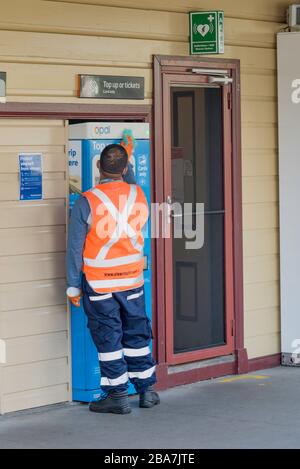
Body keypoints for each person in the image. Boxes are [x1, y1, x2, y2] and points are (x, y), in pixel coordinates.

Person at [66, 137, 159, 415]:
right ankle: (146, 391)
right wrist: (126, 157)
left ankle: (117, 394)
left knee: (108, 338)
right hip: (132, 281)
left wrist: (72, 286)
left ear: (97, 165)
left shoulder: (87, 201)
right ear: (125, 166)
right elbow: (127, 179)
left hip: (100, 282)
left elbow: (74, 248)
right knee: (136, 333)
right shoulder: (138, 194)